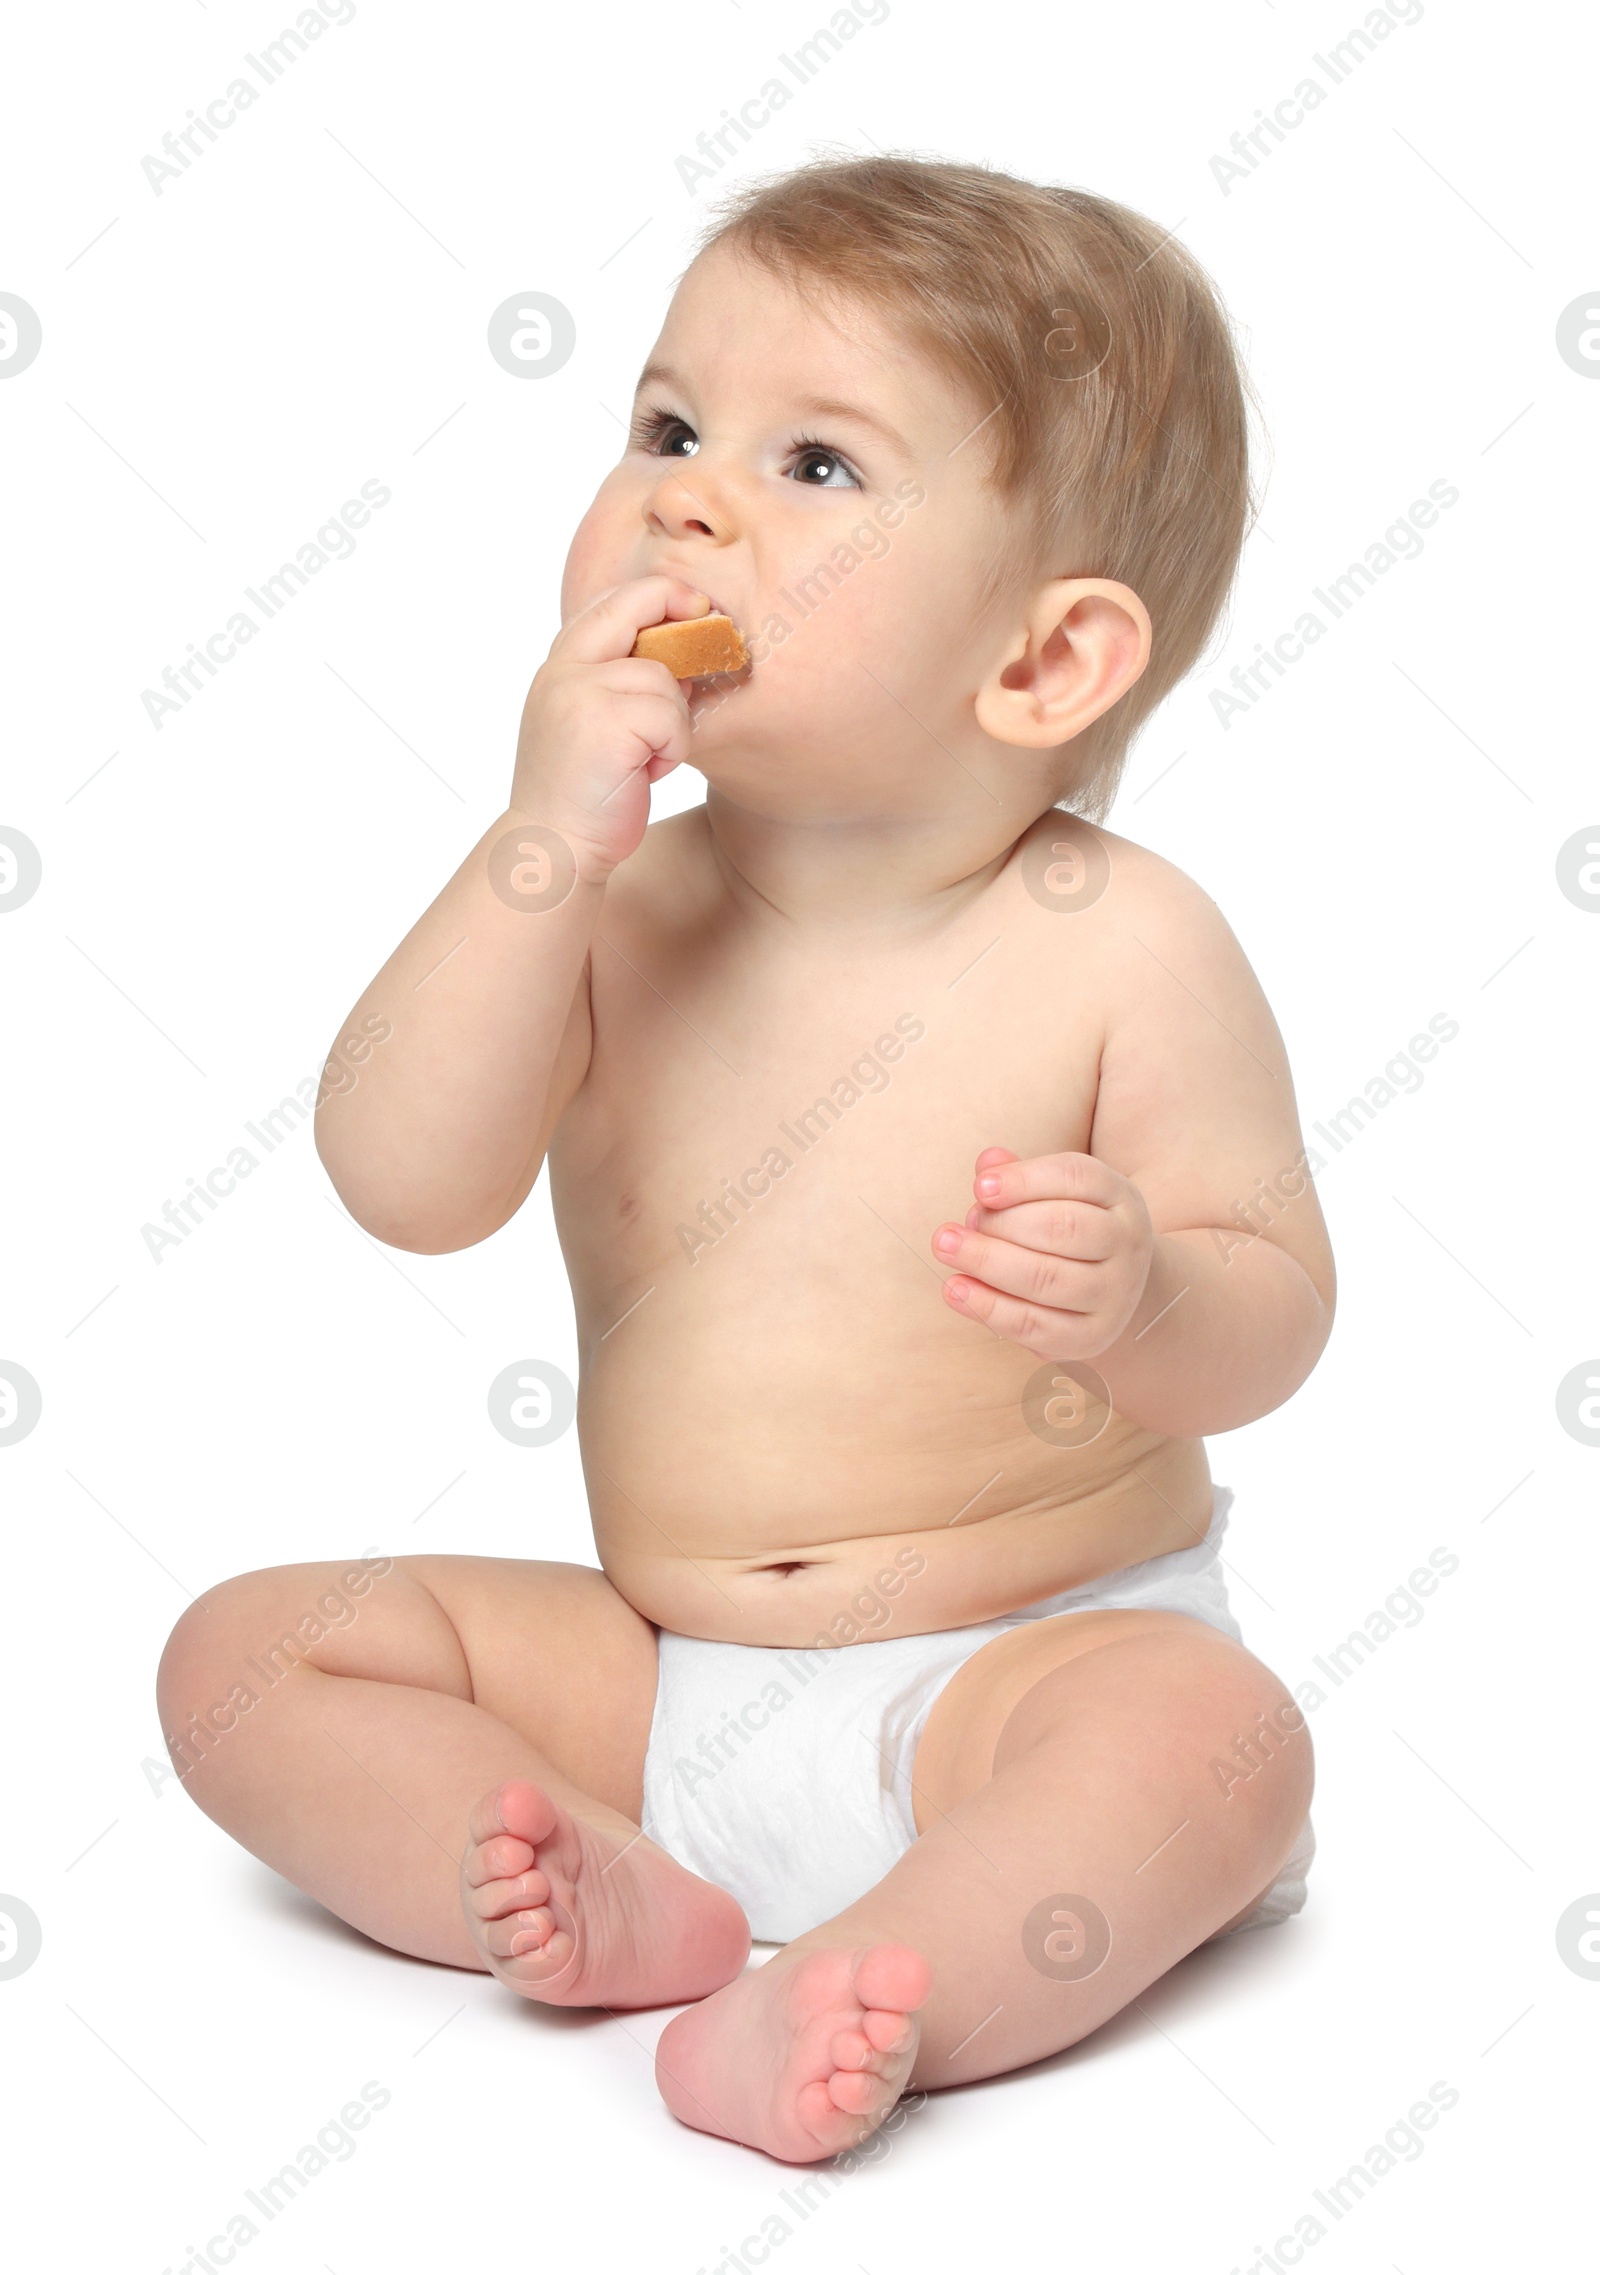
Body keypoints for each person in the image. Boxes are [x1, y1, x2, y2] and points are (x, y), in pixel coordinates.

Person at [157, 154, 1331, 2165]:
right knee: (242, 1658)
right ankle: (586, 1887)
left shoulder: (1121, 941)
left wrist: (1148, 1288)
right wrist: (542, 838)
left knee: (1212, 1748)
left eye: (811, 465)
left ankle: (871, 1980)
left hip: (1015, 1670)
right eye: (667, 426)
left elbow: (1271, 1314)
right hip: (658, 1668)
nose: (682, 497)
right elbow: (402, 1177)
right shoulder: (605, 907)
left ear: (1039, 664)